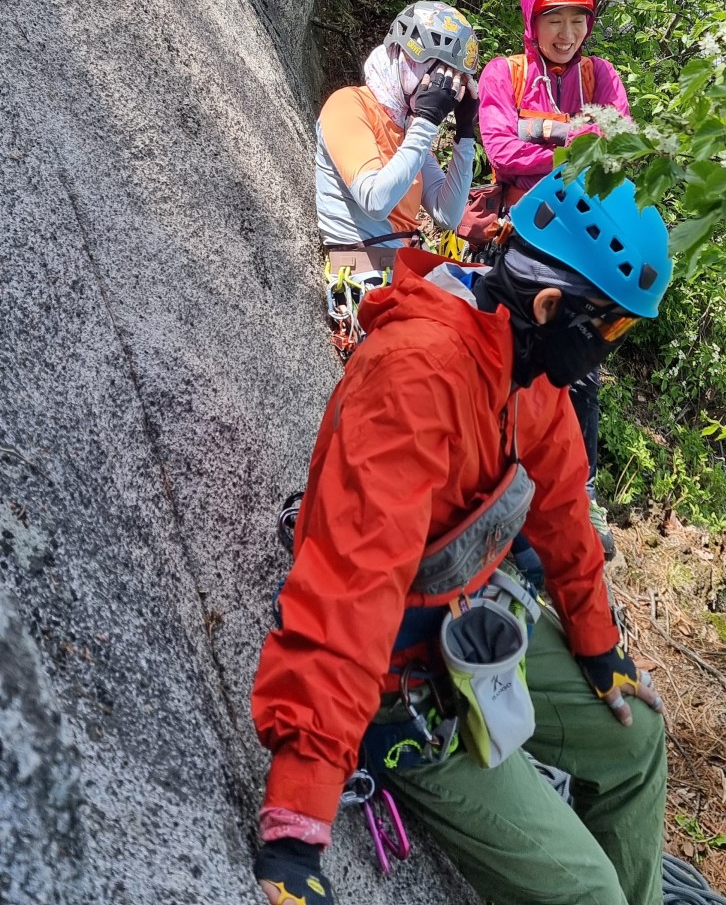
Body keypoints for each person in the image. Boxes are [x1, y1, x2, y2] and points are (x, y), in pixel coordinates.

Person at [251, 168, 672, 905]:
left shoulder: (523, 365)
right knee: (589, 893)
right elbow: (351, 587)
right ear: (549, 304)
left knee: (636, 742)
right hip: (398, 677)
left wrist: (598, 644)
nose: (612, 349)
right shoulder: (421, 379)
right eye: (611, 328)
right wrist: (297, 819)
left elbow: (565, 507)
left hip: (467, 624)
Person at [477, 0, 631, 558]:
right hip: (521, 238)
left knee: (581, 372)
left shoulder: (601, 78)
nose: (566, 34)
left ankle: (575, 499)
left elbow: (620, 145)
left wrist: (542, 139)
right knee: (504, 357)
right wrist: (574, 143)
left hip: (585, 246)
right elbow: (500, 148)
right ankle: (492, 477)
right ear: (531, 18)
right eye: (553, 18)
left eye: (578, 19)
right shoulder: (504, 74)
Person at [315, 0, 480, 278]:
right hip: (363, 271)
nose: (442, 85)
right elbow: (375, 200)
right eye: (436, 70)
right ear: (402, 55)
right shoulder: (347, 104)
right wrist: (426, 122)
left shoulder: (408, 128)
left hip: (403, 269)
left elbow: (447, 214)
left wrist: (465, 133)